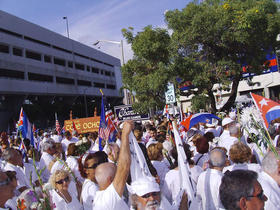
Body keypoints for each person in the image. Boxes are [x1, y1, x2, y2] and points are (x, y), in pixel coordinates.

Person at [92, 121, 133, 210]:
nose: (120, 176)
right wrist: (125, 134)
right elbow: (124, 167)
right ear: (110, 179)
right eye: (116, 173)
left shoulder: (101, 196)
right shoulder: (108, 198)